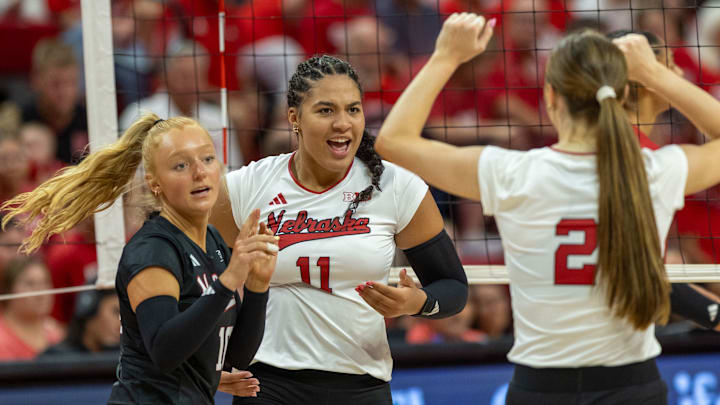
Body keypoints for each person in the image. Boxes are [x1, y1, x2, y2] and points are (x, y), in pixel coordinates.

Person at [375, 13, 720, 404]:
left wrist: (446, 56)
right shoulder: (655, 170)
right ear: (622, 95)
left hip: (541, 389)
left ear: (551, 97)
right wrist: (655, 74)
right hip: (631, 387)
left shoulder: (514, 173)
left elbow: (393, 140)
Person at [210, 54, 468, 405]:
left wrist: (417, 302)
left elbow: (453, 287)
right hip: (268, 384)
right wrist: (209, 362)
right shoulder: (245, 187)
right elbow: (200, 285)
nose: (343, 123)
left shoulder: (396, 187)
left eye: (353, 109)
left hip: (361, 384)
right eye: (326, 110)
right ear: (294, 118)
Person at [1, 114, 278, 404]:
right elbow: (164, 350)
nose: (199, 172)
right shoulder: (153, 250)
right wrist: (228, 281)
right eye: (181, 165)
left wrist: (258, 286)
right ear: (154, 183)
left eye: (207, 159)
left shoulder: (213, 242)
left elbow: (235, 356)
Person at [608, 29, 720, 332]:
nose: (679, 73)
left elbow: (642, 272)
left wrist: (713, 313)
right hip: (623, 348)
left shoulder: (617, 148)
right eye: (667, 65)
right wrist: (655, 74)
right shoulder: (649, 163)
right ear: (640, 77)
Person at [0, 256, 64, 361]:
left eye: (45, 283)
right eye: (30, 284)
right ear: (8, 290)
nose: (41, 293)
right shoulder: (2, 340)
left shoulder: (55, 333)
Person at [41, 285, 121, 355]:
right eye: (116, 312)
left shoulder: (124, 361)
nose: (120, 324)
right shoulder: (55, 358)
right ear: (90, 309)